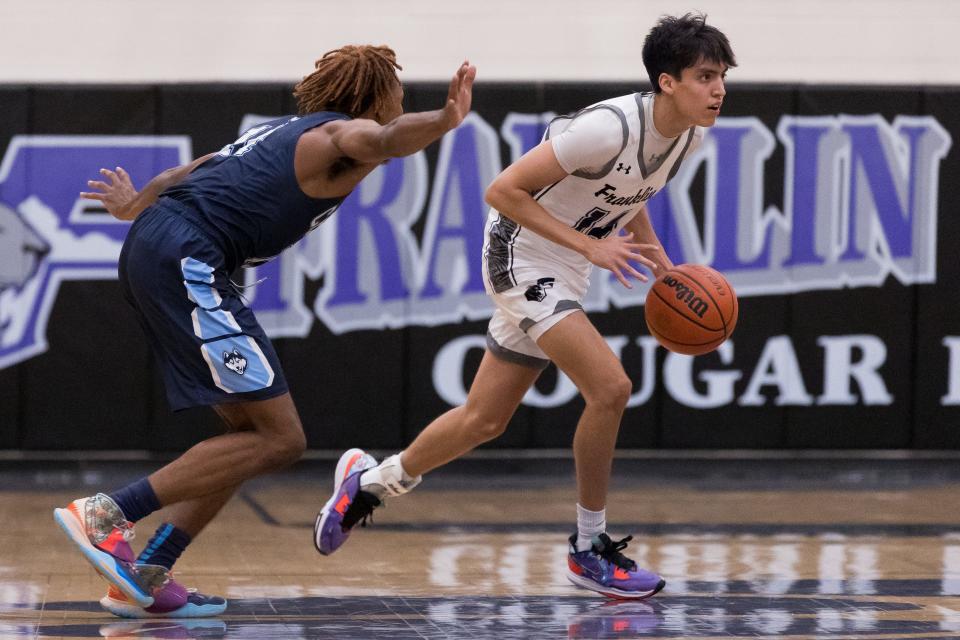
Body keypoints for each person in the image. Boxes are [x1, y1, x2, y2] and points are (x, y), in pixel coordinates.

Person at [316, 14, 736, 600]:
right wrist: (592, 244)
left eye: (722, 76)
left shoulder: (688, 134)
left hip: (564, 263)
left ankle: (370, 484)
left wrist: (663, 267)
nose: (719, 89)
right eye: (705, 76)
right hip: (517, 251)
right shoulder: (607, 128)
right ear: (667, 81)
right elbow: (502, 191)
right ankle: (589, 547)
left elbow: (631, 194)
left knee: (484, 419)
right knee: (610, 388)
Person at [53, 45, 476, 618]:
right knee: (282, 440)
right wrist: (446, 121)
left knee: (248, 439)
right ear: (376, 98)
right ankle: (106, 513)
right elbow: (382, 141)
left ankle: (149, 572)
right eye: (397, 93)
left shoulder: (283, 130)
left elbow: (189, 170)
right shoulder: (339, 136)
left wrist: (134, 206)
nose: (401, 100)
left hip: (163, 246)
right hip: (186, 257)